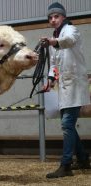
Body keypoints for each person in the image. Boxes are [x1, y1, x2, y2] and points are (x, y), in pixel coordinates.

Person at [42, 2, 91, 178]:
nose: (53, 19)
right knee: (68, 124)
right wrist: (49, 80)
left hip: (75, 85)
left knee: (66, 124)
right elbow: (54, 65)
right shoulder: (53, 38)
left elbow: (68, 41)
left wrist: (53, 41)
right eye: (50, 17)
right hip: (64, 86)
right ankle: (84, 159)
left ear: (63, 17)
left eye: (56, 16)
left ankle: (66, 164)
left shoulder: (71, 30)